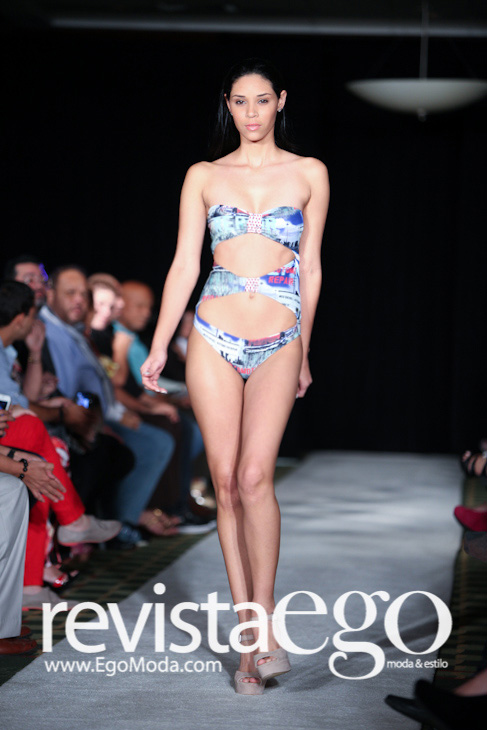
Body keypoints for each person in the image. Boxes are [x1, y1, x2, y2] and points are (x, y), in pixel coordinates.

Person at [141, 58, 329, 694]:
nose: (251, 112)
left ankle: (265, 622)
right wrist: (159, 345)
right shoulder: (203, 175)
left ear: (281, 101)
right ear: (228, 105)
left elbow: (311, 268)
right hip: (213, 335)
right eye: (240, 102)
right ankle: (250, 643)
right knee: (224, 484)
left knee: (255, 478)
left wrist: (304, 350)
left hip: (280, 337)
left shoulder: (309, 172)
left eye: (262, 100)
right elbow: (183, 264)